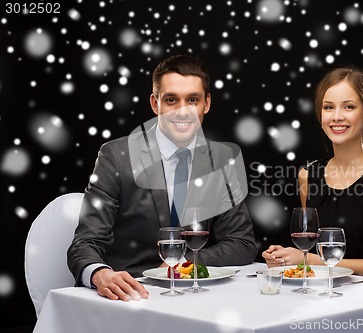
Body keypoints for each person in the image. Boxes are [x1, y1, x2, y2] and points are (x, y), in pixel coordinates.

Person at [68, 55, 258, 301]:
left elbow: (241, 243)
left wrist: (183, 264)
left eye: (193, 99)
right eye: (171, 100)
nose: (183, 111)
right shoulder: (116, 156)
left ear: (207, 103)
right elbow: (85, 243)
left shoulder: (220, 159)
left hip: (198, 295)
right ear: (155, 104)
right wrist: (100, 273)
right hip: (132, 294)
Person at [262, 67, 363, 279]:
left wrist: (305, 260)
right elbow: (309, 249)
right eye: (328, 107)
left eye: (348, 107)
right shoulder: (307, 175)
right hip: (323, 293)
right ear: (321, 116)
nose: (337, 116)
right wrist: (283, 258)